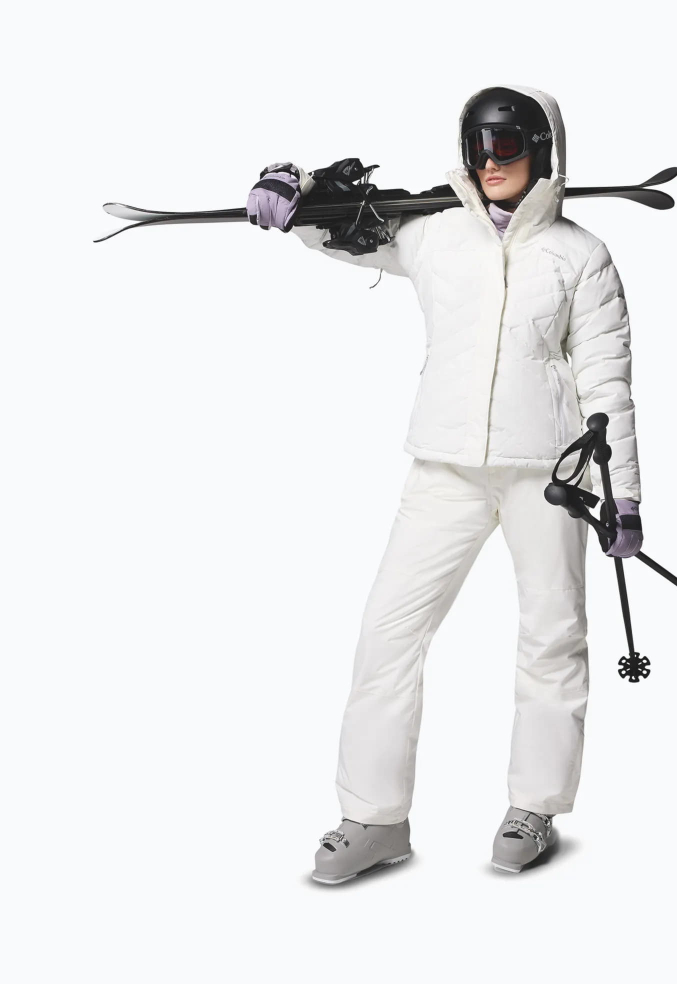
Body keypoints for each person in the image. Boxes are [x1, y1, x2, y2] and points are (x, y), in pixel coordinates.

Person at [246, 85, 643, 883]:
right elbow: (347, 234)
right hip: (445, 465)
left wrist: (624, 494)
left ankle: (534, 806)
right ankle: (374, 817)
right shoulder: (433, 233)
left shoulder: (581, 256)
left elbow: (608, 381)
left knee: (552, 633)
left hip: (547, 473)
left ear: (541, 150)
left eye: (508, 146)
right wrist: (296, 200)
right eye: (478, 147)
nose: (490, 162)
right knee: (388, 632)